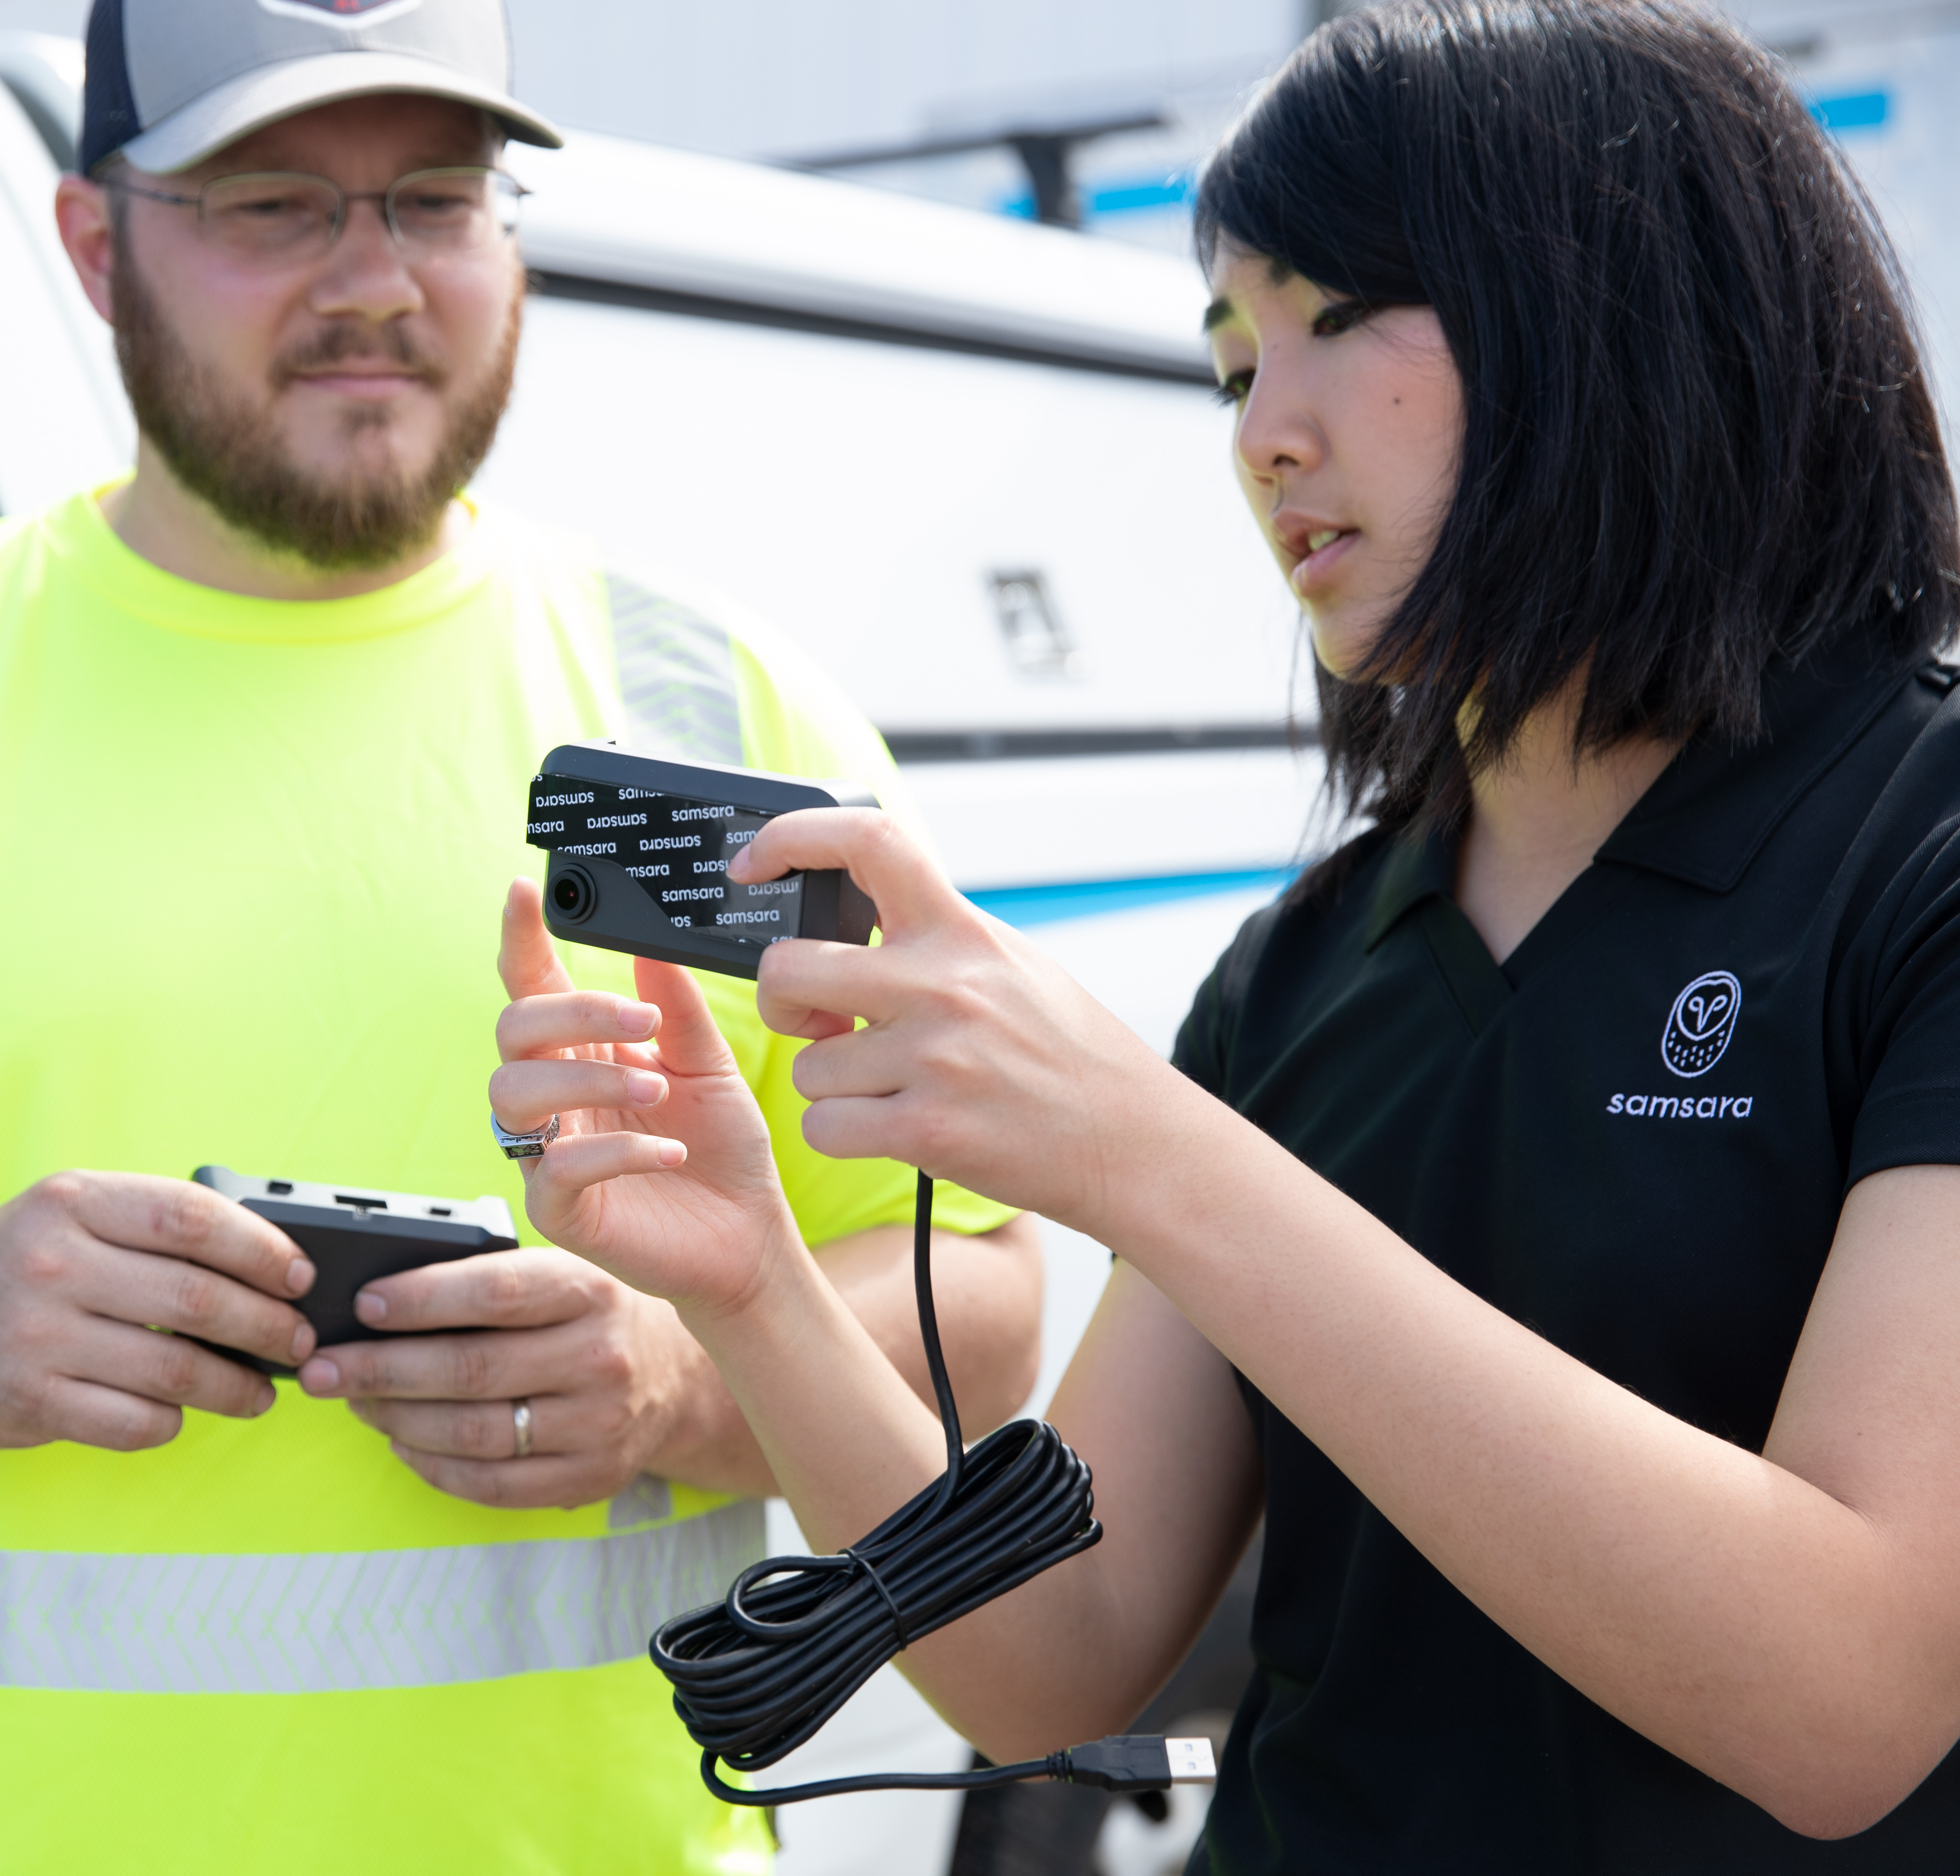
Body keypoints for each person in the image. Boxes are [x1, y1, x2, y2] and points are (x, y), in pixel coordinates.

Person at [0, 0, 1038, 1870]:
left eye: (436, 200)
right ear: (91, 242)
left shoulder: (714, 713)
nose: (372, 280)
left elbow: (982, 1322)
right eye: (275, 203)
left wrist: (676, 1376)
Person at [488, 2, 1960, 1867]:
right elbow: (1060, 1662)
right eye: (1231, 363)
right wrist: (755, 1286)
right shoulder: (1316, 957)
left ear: (1634, 310)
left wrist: (1160, 1159)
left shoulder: (1914, 854)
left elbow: (1847, 1707)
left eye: (1341, 319)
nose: (1269, 432)